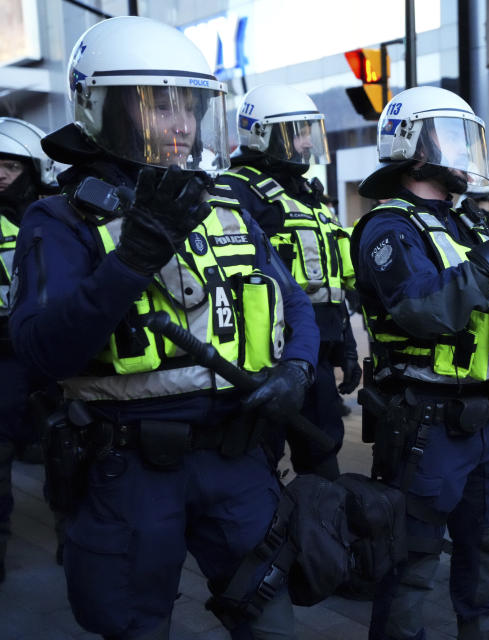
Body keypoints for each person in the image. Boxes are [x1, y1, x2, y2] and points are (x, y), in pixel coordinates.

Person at [9, 16, 319, 639]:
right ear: (102, 109)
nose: (181, 123)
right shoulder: (59, 218)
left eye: (192, 106)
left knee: (273, 621)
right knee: (135, 626)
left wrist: (298, 367)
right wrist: (131, 262)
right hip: (129, 468)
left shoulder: (224, 205)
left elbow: (295, 302)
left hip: (237, 458)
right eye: (158, 106)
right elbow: (44, 349)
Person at [351, 85, 489, 640]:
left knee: (487, 543)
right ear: (413, 147)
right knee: (411, 559)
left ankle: (481, 631)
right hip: (426, 422)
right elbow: (425, 310)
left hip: (483, 421)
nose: (466, 154)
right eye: (452, 139)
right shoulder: (388, 228)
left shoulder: (462, 225)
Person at [215, 84, 359, 480]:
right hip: (268, 356)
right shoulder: (235, 191)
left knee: (323, 450)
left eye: (309, 130)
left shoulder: (310, 196)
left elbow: (332, 283)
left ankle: (320, 533)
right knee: (261, 457)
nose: (307, 140)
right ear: (261, 134)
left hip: (319, 350)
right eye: (297, 131)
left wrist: (345, 345)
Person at [0, 116, 60, 584]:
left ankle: (74, 537)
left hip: (49, 350)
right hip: (2, 359)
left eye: (9, 165)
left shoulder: (59, 214)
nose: (0, 174)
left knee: (65, 447)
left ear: (34, 167)